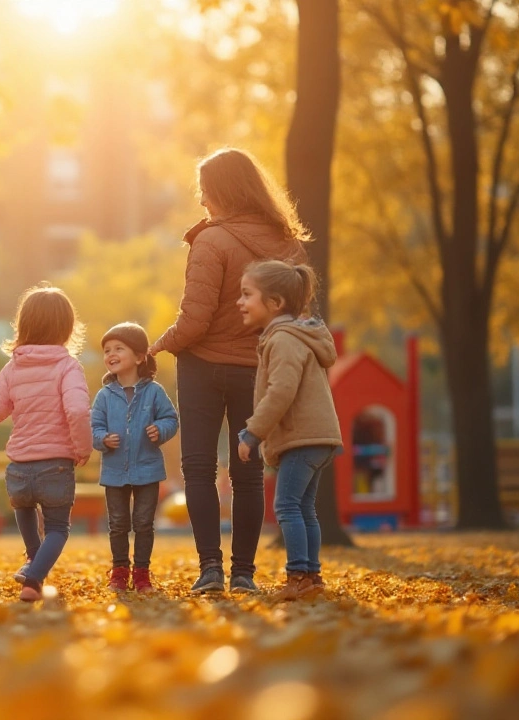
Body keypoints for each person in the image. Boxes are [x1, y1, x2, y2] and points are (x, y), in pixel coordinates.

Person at [148, 147, 310, 595]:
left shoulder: (211, 241)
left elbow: (195, 320)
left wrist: (158, 346)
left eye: (204, 191)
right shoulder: (286, 243)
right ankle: (244, 574)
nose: (201, 201)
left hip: (202, 367)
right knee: (249, 473)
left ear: (221, 191)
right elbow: (294, 314)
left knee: (198, 468)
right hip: (257, 369)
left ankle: (210, 571)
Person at [0, 286, 92, 603]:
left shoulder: (13, 368)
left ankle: (31, 560)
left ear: (23, 325)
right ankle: (34, 578)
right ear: (66, 328)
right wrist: (82, 447)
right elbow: (78, 410)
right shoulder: (68, 368)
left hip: (20, 466)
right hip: (55, 464)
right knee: (58, 528)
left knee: (23, 508)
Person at [235, 261, 342, 601]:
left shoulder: (283, 339)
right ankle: (311, 575)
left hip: (303, 438)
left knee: (286, 506)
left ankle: (298, 575)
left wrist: (253, 432)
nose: (240, 302)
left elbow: (281, 391)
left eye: (247, 294)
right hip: (318, 437)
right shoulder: (294, 337)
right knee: (304, 508)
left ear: (275, 302)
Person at [90, 323, 178, 593]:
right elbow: (93, 427)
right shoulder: (104, 396)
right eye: (107, 350)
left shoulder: (154, 392)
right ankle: (119, 572)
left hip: (147, 469)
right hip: (115, 470)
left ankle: (142, 574)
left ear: (140, 357)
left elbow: (171, 419)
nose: (111, 354)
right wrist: (103, 438)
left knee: (143, 523)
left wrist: (159, 430)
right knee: (117, 524)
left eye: (119, 348)